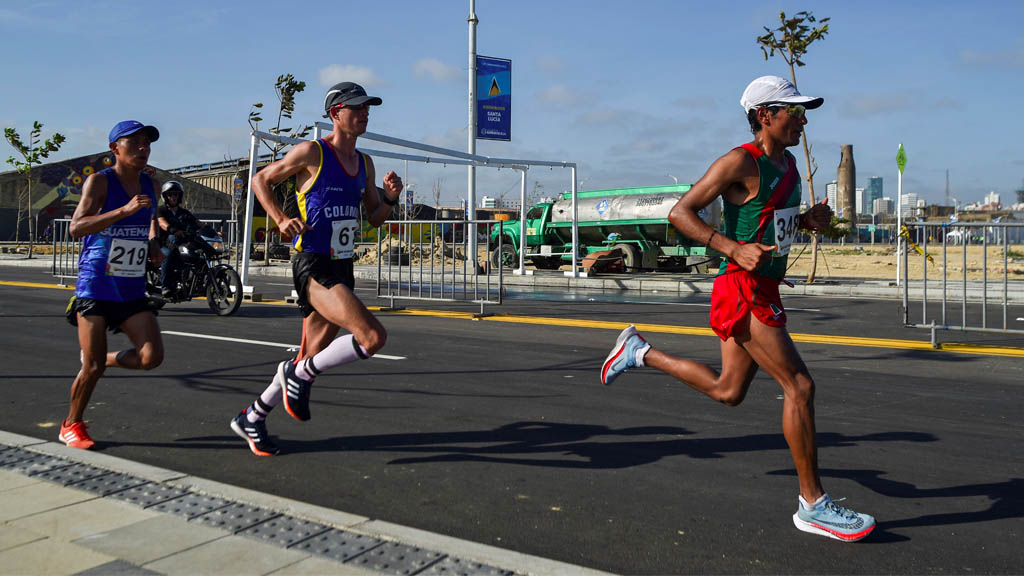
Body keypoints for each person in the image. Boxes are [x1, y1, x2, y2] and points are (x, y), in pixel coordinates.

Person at [600, 76, 875, 542]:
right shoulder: (738, 162)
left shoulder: (786, 165)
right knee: (800, 386)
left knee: (729, 391)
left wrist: (807, 221)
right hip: (742, 288)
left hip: (764, 286)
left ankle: (640, 352)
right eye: (794, 112)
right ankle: (814, 505)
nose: (804, 121)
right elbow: (681, 212)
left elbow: (769, 221)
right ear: (764, 115)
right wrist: (729, 247)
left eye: (804, 112)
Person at [230, 81, 403, 456]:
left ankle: (253, 417)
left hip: (342, 266)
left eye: (367, 107)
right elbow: (261, 179)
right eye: (355, 107)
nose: (364, 113)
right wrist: (278, 217)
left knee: (307, 356)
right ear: (334, 114)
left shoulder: (365, 164)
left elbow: (373, 220)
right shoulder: (312, 152)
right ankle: (298, 377)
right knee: (372, 338)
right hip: (313, 265)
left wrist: (390, 198)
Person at [61, 120, 165, 450]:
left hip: (131, 286)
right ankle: (72, 424)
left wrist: (152, 246)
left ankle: (106, 358)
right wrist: (123, 209)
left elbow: (147, 222)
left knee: (152, 357)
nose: (142, 148)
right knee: (88, 368)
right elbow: (76, 228)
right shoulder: (99, 182)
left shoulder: (152, 185)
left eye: (146, 142)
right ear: (114, 149)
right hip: (95, 286)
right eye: (133, 142)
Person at [156, 180, 201, 297]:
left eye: (176, 194)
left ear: (179, 196)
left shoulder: (184, 212)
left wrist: (213, 232)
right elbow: (162, 223)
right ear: (165, 196)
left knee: (197, 253)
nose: (173, 197)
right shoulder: (161, 210)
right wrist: (172, 230)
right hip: (165, 244)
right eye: (170, 194)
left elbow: (198, 223)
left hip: (181, 244)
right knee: (168, 255)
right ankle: (165, 286)